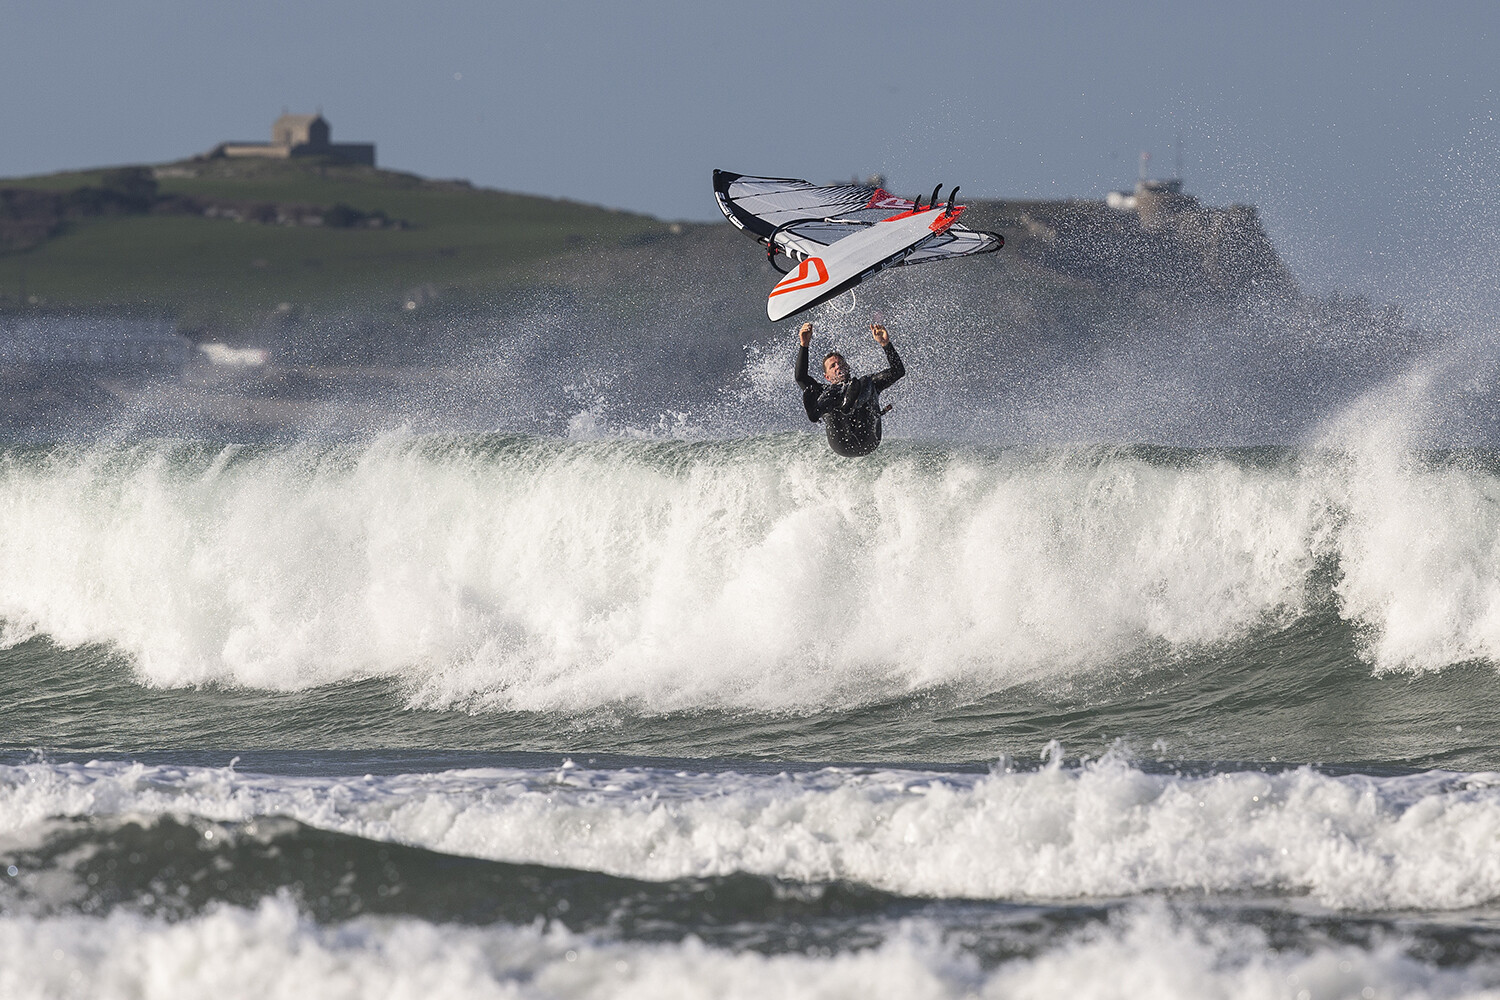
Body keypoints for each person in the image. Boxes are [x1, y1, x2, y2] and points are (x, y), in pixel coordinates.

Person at [794, 320, 905, 457]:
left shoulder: (865, 384)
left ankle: (849, 404)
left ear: (848, 367)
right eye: (832, 366)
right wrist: (804, 344)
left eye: (840, 363)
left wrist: (885, 344)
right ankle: (816, 412)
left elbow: (898, 371)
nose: (838, 366)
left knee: (866, 381)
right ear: (827, 376)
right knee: (830, 391)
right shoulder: (825, 391)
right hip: (842, 443)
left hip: (869, 440)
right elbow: (800, 377)